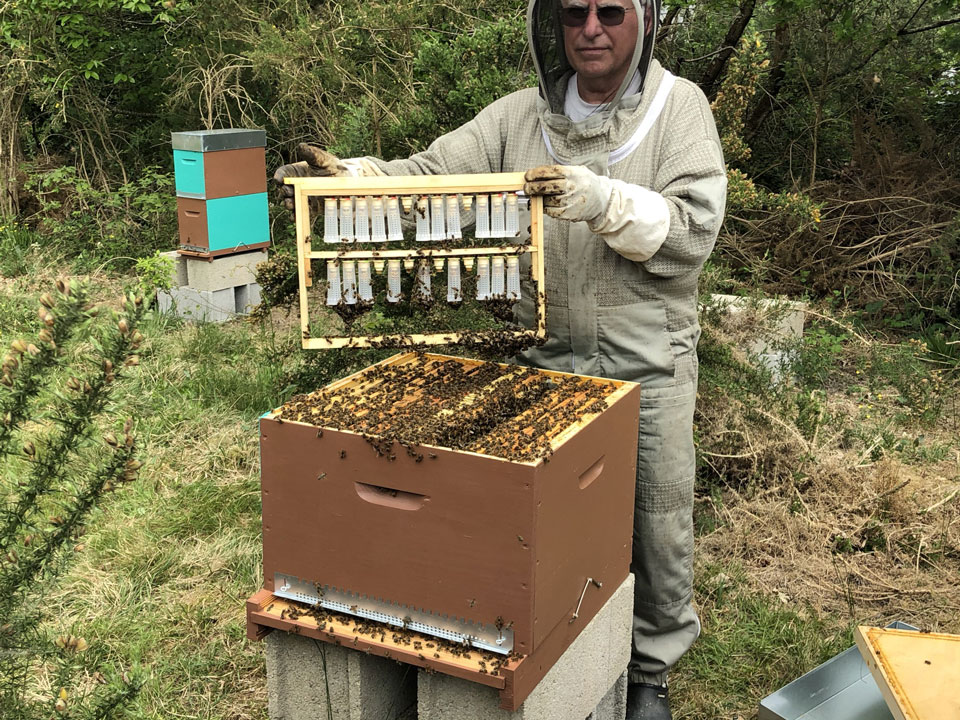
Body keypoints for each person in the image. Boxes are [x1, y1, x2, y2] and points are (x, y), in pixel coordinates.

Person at [275, 1, 726, 717]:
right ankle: (560, 640)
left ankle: (651, 670)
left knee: (656, 512)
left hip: (647, 355)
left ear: (642, 20)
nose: (591, 29)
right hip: (543, 352)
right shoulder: (517, 119)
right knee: (551, 517)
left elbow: (693, 231)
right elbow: (430, 174)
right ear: (551, 24)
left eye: (610, 11)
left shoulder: (679, 109)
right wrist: (354, 175)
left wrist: (601, 199)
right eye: (574, 13)